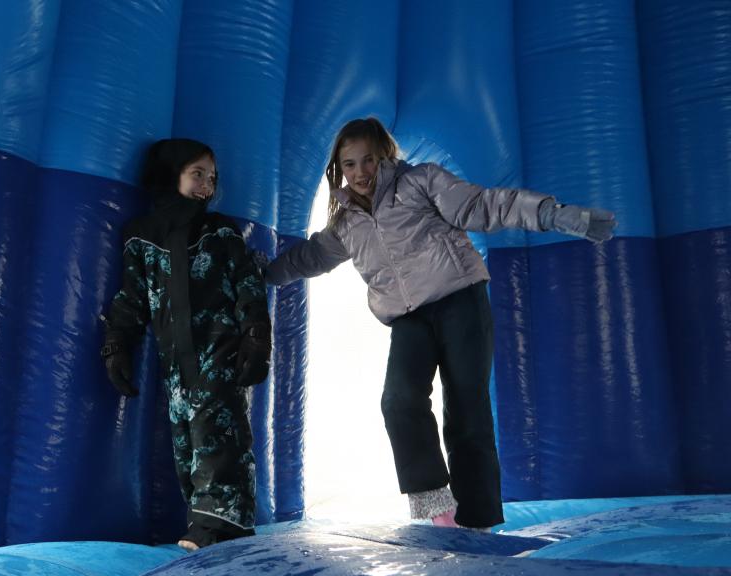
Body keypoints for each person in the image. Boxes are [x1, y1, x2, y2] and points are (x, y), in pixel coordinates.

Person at [265, 117, 615, 530]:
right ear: (339, 168)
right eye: (350, 164)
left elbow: (484, 205)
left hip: (460, 300)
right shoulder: (345, 225)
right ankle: (437, 510)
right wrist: (260, 275)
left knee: (468, 412)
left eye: (369, 161)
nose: (360, 173)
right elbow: (307, 258)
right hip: (408, 320)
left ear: (384, 157)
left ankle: (479, 522)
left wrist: (555, 215)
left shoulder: (420, 182)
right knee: (398, 401)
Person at [101, 138, 271, 550]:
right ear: (169, 174)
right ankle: (213, 526)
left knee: (219, 433)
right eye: (197, 174)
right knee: (187, 443)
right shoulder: (140, 236)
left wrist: (255, 339)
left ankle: (217, 526)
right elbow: (132, 297)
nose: (207, 186)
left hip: (219, 351)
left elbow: (248, 286)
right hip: (175, 362)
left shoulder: (219, 231)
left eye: (212, 178)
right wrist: (116, 345)